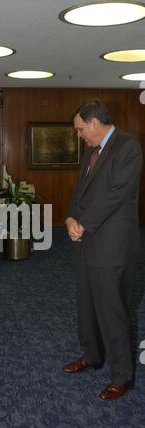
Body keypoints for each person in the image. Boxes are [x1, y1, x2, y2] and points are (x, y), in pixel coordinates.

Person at [62, 100, 143, 400]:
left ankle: (123, 376)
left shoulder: (128, 148)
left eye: (81, 129)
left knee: (112, 311)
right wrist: (70, 217)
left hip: (112, 246)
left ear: (95, 123)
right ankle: (92, 356)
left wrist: (84, 224)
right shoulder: (90, 153)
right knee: (87, 306)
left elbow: (116, 195)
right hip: (85, 242)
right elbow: (79, 194)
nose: (79, 135)